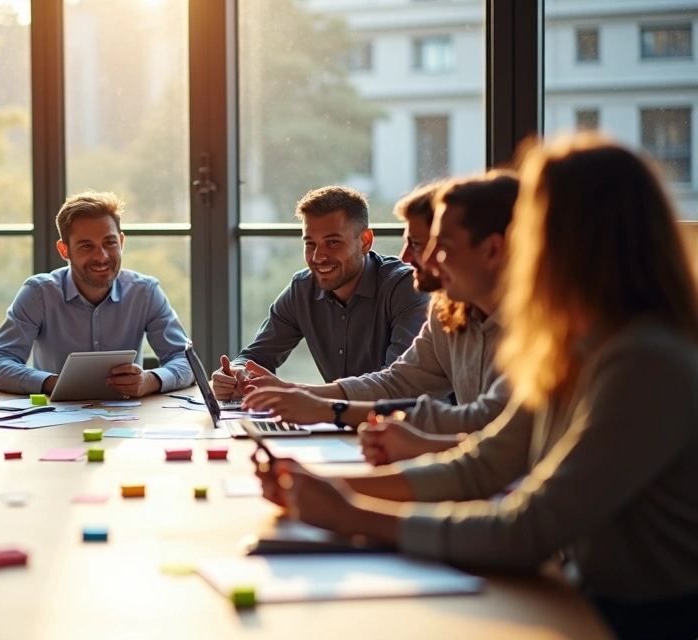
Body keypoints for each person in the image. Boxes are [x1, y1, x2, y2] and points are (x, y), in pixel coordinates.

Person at [253, 134, 698, 639]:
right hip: (585, 599)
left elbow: (528, 529)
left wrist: (353, 514)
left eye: (528, 231)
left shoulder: (644, 360)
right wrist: (320, 487)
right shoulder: (575, 346)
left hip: (644, 622)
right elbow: (484, 465)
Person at [242, 175, 517, 459]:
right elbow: (397, 383)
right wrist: (307, 399)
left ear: (492, 250)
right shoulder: (447, 310)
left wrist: (324, 407)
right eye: (310, 244)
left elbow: (483, 433)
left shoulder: (530, 329)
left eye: (434, 244)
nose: (407, 257)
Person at [212, 186, 429, 399]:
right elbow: (255, 356)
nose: (318, 257)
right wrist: (236, 375)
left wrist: (293, 393)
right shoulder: (302, 289)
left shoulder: (406, 287)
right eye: (310, 244)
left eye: (332, 242)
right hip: (339, 420)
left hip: (410, 420)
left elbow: (398, 385)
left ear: (365, 241)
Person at [0, 191, 192, 397]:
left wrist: (150, 381)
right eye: (86, 246)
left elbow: (187, 362)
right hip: (55, 416)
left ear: (121, 242)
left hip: (130, 415)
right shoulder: (38, 294)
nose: (101, 257)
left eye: (109, 243)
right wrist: (56, 383)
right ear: (64, 250)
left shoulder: (145, 292)